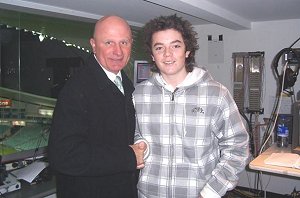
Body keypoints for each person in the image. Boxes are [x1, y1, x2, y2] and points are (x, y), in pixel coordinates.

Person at [133, 14, 249, 198]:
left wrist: (211, 192)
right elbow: (137, 134)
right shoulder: (139, 95)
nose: (168, 54)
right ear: (152, 55)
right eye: (159, 48)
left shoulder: (216, 94)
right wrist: (140, 144)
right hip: (149, 193)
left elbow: (238, 147)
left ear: (187, 51)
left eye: (176, 46)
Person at [48, 15, 146, 198]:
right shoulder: (76, 89)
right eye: (109, 42)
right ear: (93, 44)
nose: (118, 51)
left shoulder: (128, 86)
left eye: (124, 42)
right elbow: (63, 156)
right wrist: (128, 157)